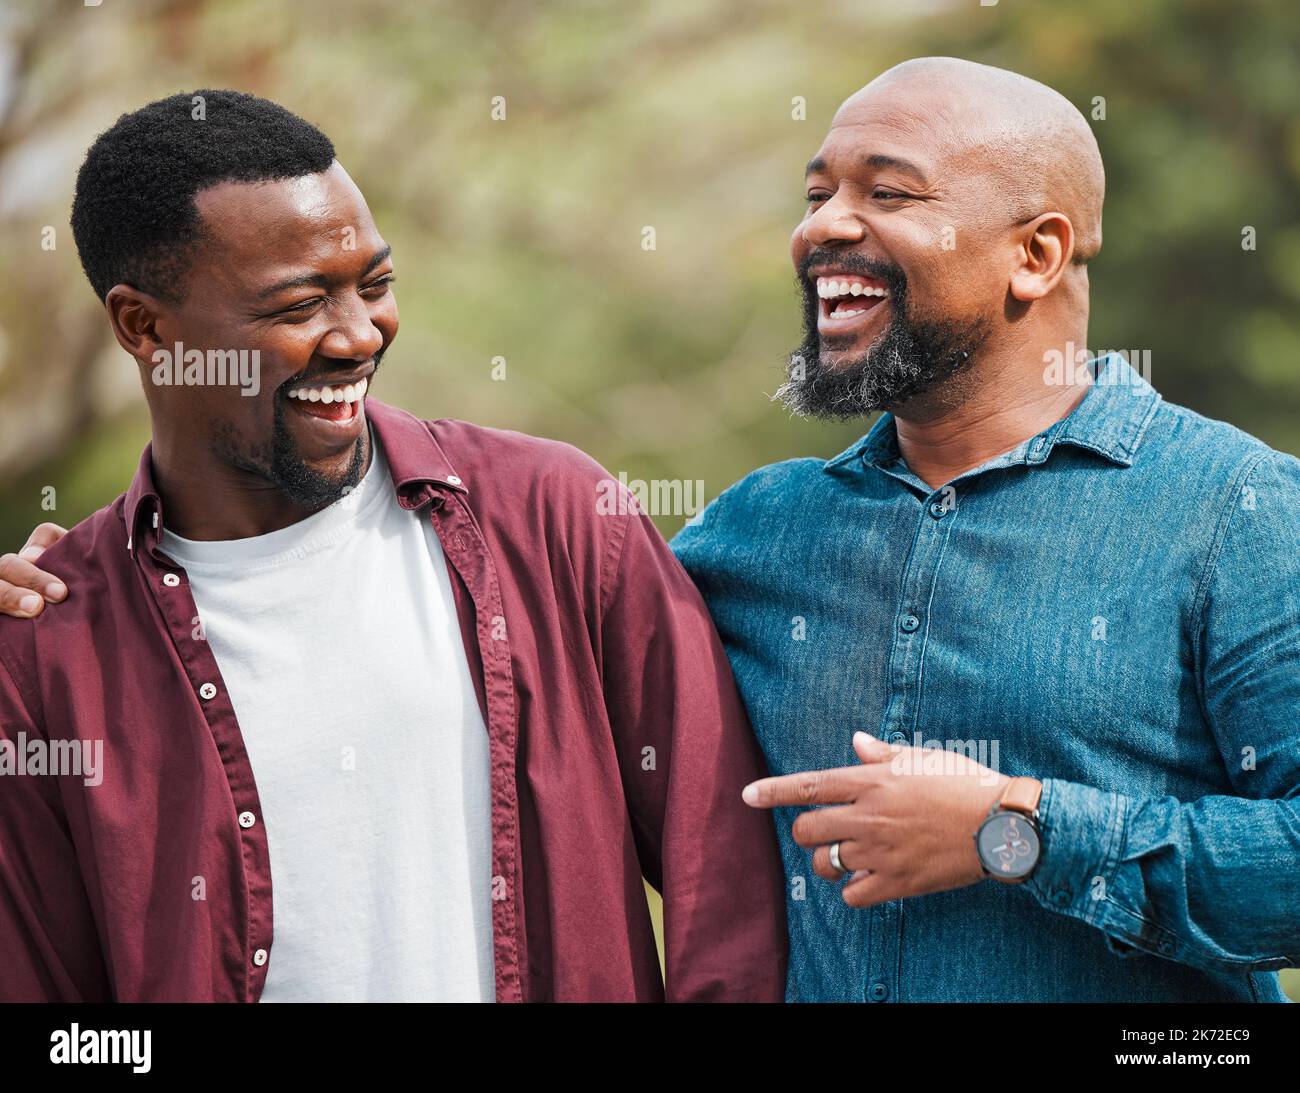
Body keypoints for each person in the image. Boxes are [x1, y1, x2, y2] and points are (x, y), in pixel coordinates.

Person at [0, 90, 785, 1002]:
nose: (361, 334)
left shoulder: (559, 516)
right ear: (146, 328)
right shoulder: (43, 646)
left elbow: (725, 883)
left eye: (374, 285)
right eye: (300, 305)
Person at [671, 58, 1300, 1002]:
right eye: (817, 193)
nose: (821, 226)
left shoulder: (1235, 509)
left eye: (887, 191)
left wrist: (1015, 829)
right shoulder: (756, 531)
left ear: (1037, 255)